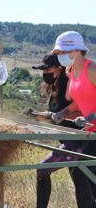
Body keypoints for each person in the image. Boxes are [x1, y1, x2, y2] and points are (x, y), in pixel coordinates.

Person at [32, 53, 84, 208]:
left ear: (59, 69)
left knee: (43, 169)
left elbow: (82, 109)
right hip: (69, 142)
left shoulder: (68, 85)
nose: (45, 73)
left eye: (48, 69)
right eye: (43, 70)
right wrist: (35, 116)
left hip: (79, 142)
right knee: (83, 185)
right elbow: (53, 117)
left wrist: (60, 115)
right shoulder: (54, 87)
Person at [51, 31, 96, 208]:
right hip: (90, 130)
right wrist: (62, 113)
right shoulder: (71, 72)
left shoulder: (92, 69)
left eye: (61, 52)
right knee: (86, 173)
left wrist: (90, 118)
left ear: (75, 51)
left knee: (80, 169)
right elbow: (80, 101)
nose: (60, 56)